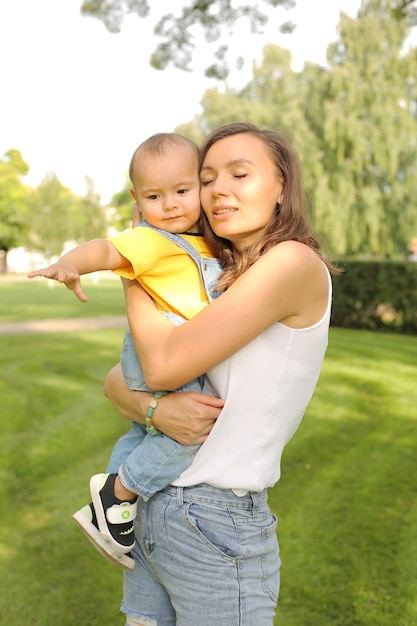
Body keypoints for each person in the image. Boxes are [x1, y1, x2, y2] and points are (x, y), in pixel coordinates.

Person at [103, 122, 338, 625]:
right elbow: (119, 382)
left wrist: (139, 260)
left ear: (281, 187)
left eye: (239, 173)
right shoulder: (215, 275)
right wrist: (155, 409)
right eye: (206, 178)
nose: (218, 189)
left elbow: (160, 364)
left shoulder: (292, 264)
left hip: (207, 515)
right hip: (162, 509)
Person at [27, 132, 223, 570]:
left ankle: (111, 516)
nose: (170, 204)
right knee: (188, 432)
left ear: (200, 186)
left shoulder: (206, 241)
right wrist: (71, 263)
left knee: (142, 433)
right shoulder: (151, 240)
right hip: (163, 351)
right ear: (137, 198)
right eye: (155, 195)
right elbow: (106, 249)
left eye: (182, 191)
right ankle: (120, 492)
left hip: (164, 347)